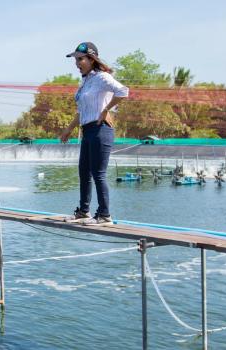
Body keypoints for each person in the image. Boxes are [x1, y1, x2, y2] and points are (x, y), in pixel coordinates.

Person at [59, 41, 128, 225]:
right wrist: (68, 129)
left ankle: (104, 215)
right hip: (87, 129)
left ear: (91, 59)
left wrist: (107, 109)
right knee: (83, 172)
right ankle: (83, 212)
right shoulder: (85, 81)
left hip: (101, 129)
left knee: (98, 173)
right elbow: (82, 111)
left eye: (80, 59)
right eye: (76, 59)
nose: (77, 63)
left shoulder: (101, 77)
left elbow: (123, 91)